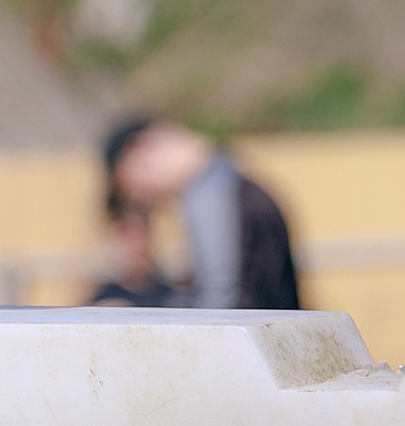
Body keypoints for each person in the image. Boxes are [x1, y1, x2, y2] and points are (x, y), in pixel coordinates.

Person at [94, 117, 300, 309]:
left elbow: (222, 299)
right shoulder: (229, 182)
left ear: (141, 151)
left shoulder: (209, 192)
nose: (144, 197)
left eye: (133, 187)